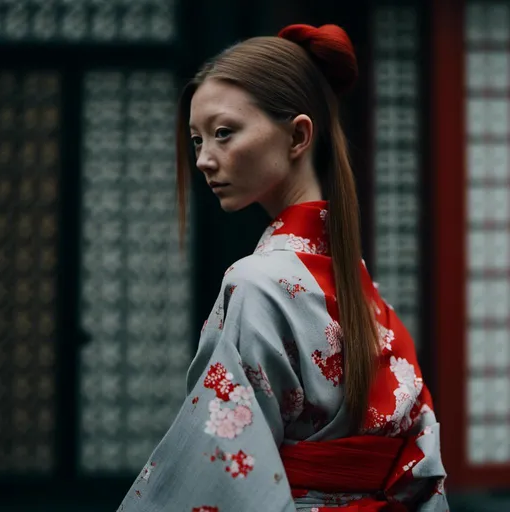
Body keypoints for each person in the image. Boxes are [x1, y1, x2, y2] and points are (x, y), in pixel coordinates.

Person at [118, 23, 448, 512]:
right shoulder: (363, 288)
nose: (205, 160)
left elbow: (227, 467)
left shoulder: (254, 283)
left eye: (224, 133)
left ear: (297, 135)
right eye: (196, 140)